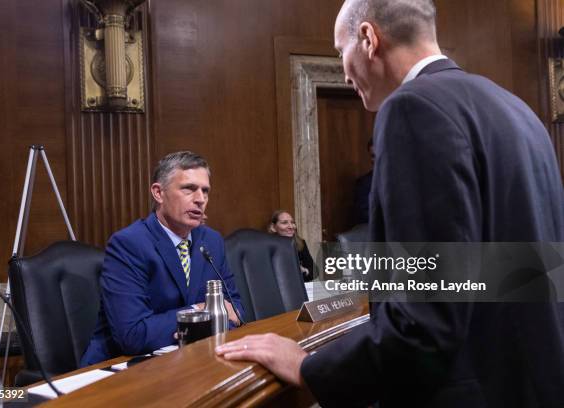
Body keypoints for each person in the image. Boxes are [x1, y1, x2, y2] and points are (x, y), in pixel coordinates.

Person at [216, 1, 564, 407]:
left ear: (368, 38)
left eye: (340, 52)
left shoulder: (412, 108)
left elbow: (424, 320)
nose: (344, 72)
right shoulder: (517, 110)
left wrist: (309, 368)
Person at [81, 151, 244, 366]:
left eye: (205, 191)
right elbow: (133, 335)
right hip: (121, 371)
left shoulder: (211, 241)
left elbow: (236, 310)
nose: (200, 199)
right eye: (189, 189)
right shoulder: (129, 244)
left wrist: (201, 321)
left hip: (189, 362)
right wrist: (201, 313)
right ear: (158, 193)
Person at [268, 210, 314, 282]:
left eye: (292, 222)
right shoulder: (266, 246)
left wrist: (305, 271)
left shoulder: (301, 242)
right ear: (273, 228)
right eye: (284, 223)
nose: (291, 226)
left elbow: (314, 271)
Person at [352, 137, 374, 224]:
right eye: (373, 156)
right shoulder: (363, 184)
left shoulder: (402, 181)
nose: (376, 159)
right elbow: (364, 215)